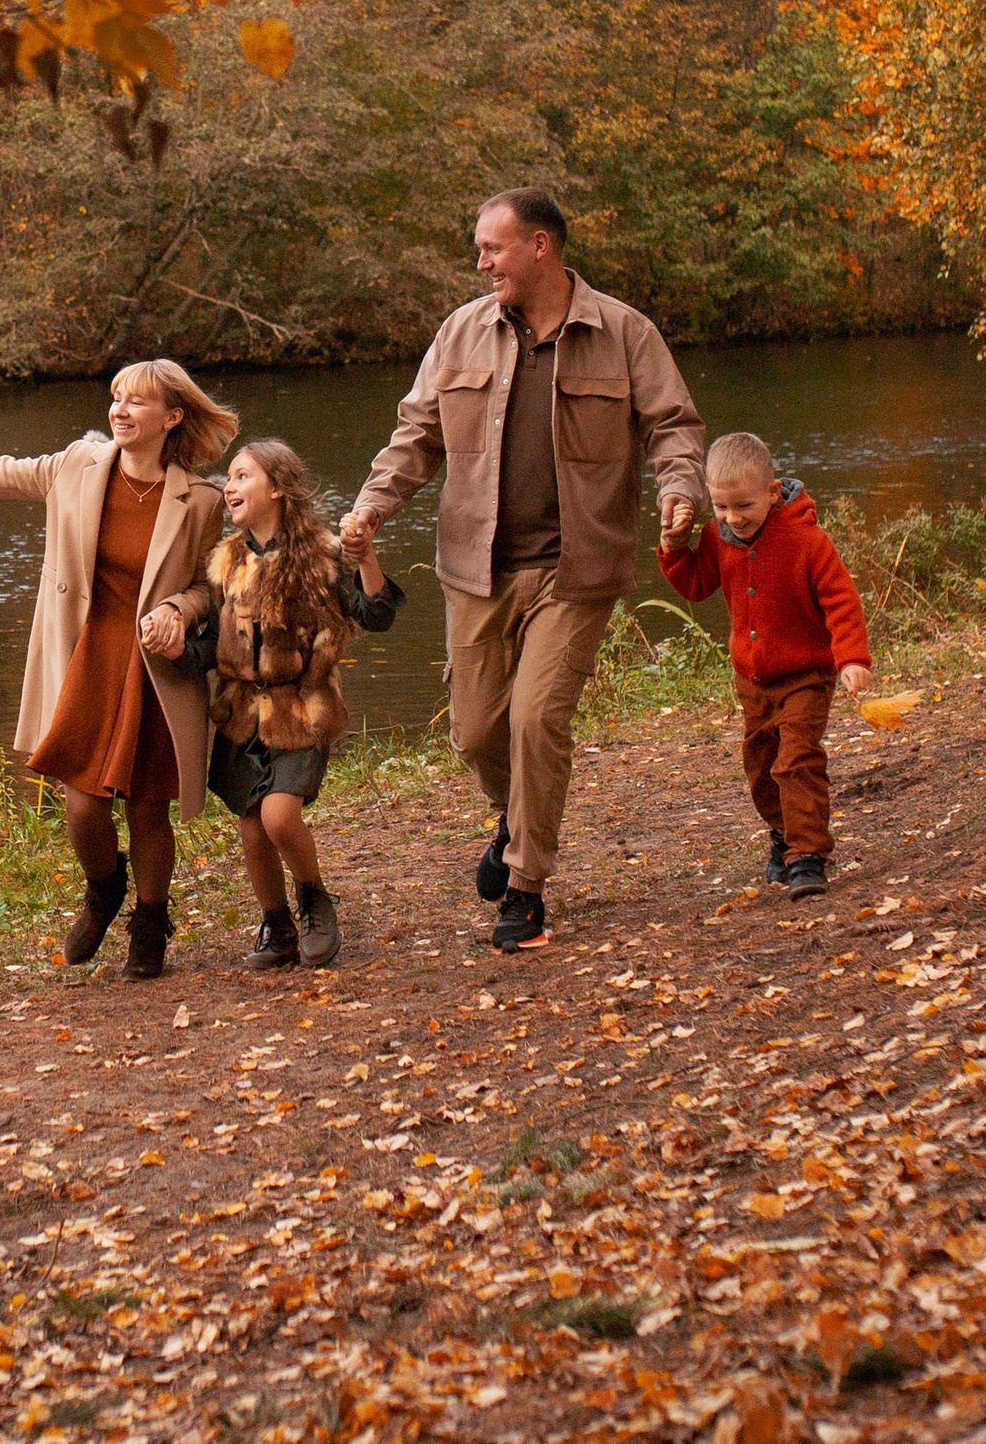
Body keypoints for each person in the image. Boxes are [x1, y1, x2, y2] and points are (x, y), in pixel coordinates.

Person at [342, 187, 707, 953]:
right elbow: (416, 434)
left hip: (576, 566)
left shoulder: (624, 333)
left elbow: (673, 426)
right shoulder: (461, 334)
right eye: (479, 249)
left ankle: (525, 886)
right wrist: (375, 504)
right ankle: (517, 816)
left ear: (541, 246)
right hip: (475, 567)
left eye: (492, 248)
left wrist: (680, 491)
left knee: (538, 718)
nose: (481, 262)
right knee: (477, 732)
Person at [0, 360, 235, 979]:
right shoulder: (76, 467)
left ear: (172, 417)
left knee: (149, 808)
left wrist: (179, 608)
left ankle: (150, 923)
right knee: (83, 806)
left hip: (155, 667)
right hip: (85, 655)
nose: (120, 410)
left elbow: (212, 585)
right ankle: (103, 889)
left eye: (137, 402)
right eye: (116, 398)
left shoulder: (199, 500)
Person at [179, 439, 404, 972]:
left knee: (280, 817)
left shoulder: (322, 555)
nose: (228, 487)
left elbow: (376, 615)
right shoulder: (225, 561)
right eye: (227, 478)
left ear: (277, 488)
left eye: (242, 476)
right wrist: (179, 650)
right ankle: (275, 923)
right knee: (252, 829)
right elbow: (215, 645)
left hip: (301, 711)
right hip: (239, 716)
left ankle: (314, 902)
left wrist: (366, 556)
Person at [656, 431, 872, 899]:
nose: (733, 518)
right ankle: (782, 834)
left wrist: (851, 657)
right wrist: (674, 548)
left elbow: (841, 601)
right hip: (752, 680)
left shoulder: (807, 540)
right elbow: (696, 585)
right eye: (721, 508)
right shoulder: (718, 537)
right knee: (761, 765)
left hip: (806, 675)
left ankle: (807, 855)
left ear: (773, 495)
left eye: (744, 507)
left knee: (797, 760)